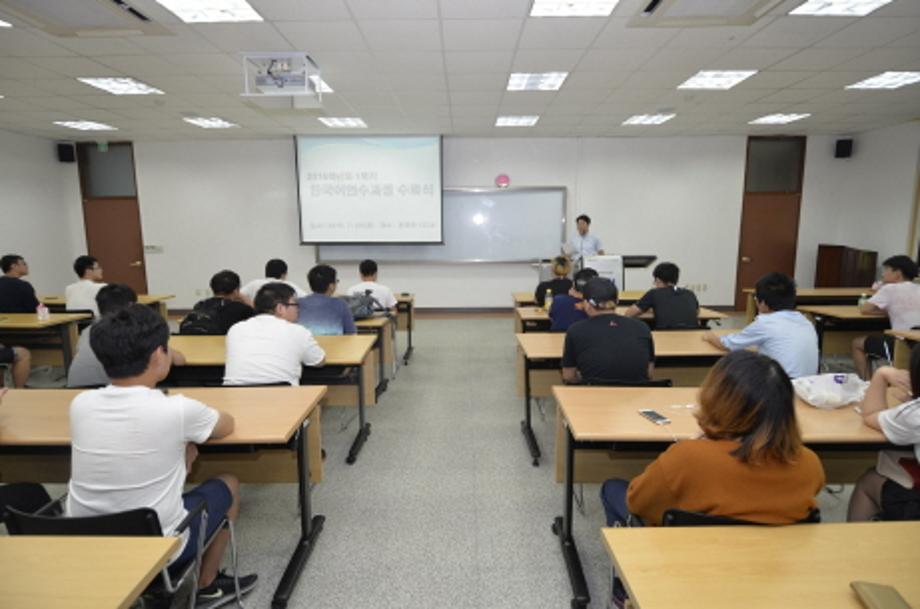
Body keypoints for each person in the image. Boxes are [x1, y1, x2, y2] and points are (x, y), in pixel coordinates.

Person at [67, 304, 257, 603]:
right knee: (229, 483)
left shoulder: (80, 404)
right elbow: (226, 424)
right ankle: (206, 585)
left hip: (84, 545)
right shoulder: (177, 410)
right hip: (157, 551)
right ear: (159, 355)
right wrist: (186, 441)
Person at [600, 350, 825, 528]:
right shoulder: (810, 464)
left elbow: (638, 503)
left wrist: (695, 447)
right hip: (772, 563)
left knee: (612, 488)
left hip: (688, 559)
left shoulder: (688, 458)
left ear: (718, 399)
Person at [847, 344, 920, 521]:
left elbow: (870, 415)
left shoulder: (914, 415)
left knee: (868, 481)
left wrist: (881, 374)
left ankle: (853, 538)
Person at [68, 284, 187, 388]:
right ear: (132, 305)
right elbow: (178, 360)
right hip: (114, 392)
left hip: (75, 391)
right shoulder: (134, 331)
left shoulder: (88, 332)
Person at [703, 272, 818, 379]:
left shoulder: (765, 323)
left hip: (783, 386)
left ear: (763, 303)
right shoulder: (805, 321)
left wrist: (709, 336)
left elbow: (727, 344)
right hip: (808, 384)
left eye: (756, 299)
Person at [224, 282, 326, 386]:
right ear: (280, 308)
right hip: (283, 394)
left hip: (235, 394)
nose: (298, 310)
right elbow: (318, 361)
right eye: (295, 305)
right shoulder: (297, 331)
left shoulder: (236, 329)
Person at [562, 277, 654, 384]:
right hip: (636, 393)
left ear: (586, 304)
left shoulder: (575, 330)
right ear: (617, 301)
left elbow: (568, 376)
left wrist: (583, 378)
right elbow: (649, 373)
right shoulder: (642, 327)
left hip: (594, 392)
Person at [852, 255, 920, 380]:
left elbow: (865, 308)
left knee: (857, 343)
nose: (883, 274)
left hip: (902, 344)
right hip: (916, 342)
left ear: (897, 273)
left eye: (886, 270)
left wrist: (886, 310)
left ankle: (868, 384)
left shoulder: (889, 289)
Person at [624, 262, 700, 329]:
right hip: (693, 336)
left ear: (658, 280)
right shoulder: (690, 293)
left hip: (665, 336)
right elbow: (696, 312)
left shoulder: (654, 293)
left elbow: (628, 314)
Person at [180, 270, 255, 335]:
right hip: (219, 345)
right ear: (236, 291)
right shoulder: (240, 308)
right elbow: (259, 319)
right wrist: (246, 300)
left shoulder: (200, 304)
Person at [297, 264, 356, 336]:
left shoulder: (298, 304)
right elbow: (351, 334)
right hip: (334, 343)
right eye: (336, 281)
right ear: (331, 286)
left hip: (304, 343)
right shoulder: (340, 304)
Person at [548, 267, 597, 332]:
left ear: (573, 284)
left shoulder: (558, 300)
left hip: (558, 336)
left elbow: (552, 318)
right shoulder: (596, 304)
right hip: (586, 336)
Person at [240, 258, 307, 303]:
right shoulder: (288, 285)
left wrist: (252, 305)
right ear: (284, 274)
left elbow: (238, 295)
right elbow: (306, 299)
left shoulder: (254, 283)